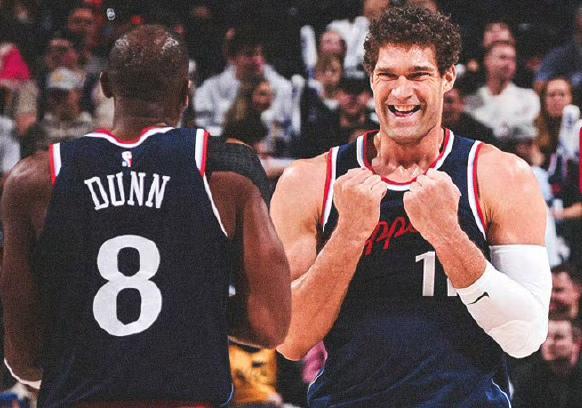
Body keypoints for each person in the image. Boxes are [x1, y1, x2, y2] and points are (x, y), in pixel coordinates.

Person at [271, 7, 551, 406]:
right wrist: (348, 234)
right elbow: (291, 339)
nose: (401, 92)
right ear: (371, 78)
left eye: (418, 75)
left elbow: (525, 338)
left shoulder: (499, 175)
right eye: (388, 75)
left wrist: (448, 234)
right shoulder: (310, 181)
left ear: (447, 77)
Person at [0, 24, 291, 407]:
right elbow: (270, 323)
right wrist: (188, 305)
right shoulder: (227, 168)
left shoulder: (34, 178)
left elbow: (23, 359)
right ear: (186, 92)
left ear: (105, 85)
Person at [464, 40, 540, 142]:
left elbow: (528, 133)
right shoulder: (472, 100)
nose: (508, 63)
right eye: (503, 58)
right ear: (487, 60)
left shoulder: (529, 98)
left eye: (512, 59)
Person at [511, 317, 582, 408]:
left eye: (558, 337)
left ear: (576, 342)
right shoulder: (529, 376)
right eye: (546, 337)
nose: (550, 343)